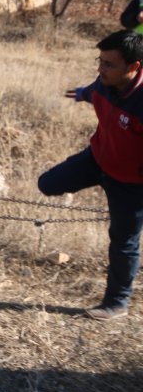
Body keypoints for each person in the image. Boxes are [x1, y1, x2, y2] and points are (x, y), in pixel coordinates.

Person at [39, 30, 143, 320]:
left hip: (130, 184)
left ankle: (117, 302)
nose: (101, 69)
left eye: (109, 64)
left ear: (134, 67)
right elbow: (94, 90)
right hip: (97, 161)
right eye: (100, 61)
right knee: (47, 184)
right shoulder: (105, 82)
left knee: (123, 241)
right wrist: (81, 93)